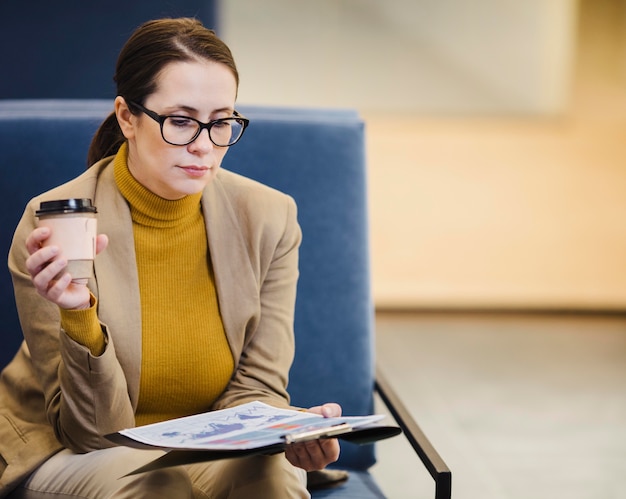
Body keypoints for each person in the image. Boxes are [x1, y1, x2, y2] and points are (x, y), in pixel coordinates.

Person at [0, 17, 342, 498]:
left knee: (275, 475)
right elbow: (91, 433)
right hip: (71, 450)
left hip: (203, 448)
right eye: (181, 121)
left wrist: (290, 428)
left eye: (221, 122)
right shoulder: (55, 224)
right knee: (156, 484)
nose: (204, 145)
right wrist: (78, 315)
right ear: (127, 118)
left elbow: (257, 388)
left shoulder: (269, 217)